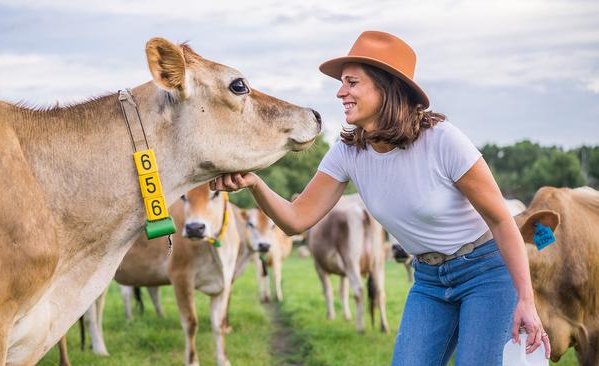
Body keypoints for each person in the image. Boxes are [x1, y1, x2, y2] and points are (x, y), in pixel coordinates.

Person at [210, 31, 550, 365]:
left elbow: (501, 219)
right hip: (429, 281)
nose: (341, 92)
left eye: (352, 83)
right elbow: (296, 219)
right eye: (341, 83)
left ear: (386, 88)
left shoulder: (444, 142)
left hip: (486, 274)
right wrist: (255, 183)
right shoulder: (347, 153)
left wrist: (526, 298)